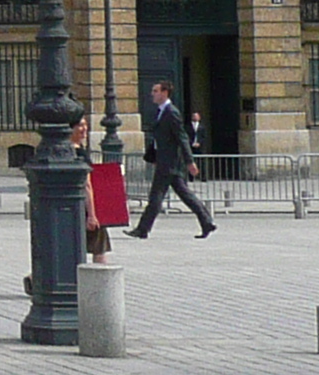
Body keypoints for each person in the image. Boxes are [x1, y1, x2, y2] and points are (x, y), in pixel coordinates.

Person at [130, 79, 216, 238]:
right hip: (166, 161)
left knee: (156, 197)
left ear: (164, 93)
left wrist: (190, 161)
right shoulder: (161, 111)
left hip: (169, 163)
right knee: (185, 195)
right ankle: (207, 222)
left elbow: (182, 138)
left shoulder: (171, 112)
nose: (152, 94)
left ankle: (142, 229)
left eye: (155, 91)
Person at [77, 112, 127, 258]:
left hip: (73, 209)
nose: (84, 129)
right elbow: (87, 185)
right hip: (84, 208)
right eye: (80, 125)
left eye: (86, 125)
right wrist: (92, 215)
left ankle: (34, 277)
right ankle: (102, 280)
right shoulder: (79, 153)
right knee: (99, 249)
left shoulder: (64, 150)